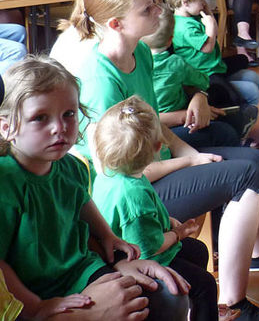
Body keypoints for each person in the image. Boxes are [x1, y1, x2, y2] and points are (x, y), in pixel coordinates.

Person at [70, 0, 259, 321]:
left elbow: (153, 124)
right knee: (247, 174)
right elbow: (117, 168)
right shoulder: (99, 79)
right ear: (116, 23)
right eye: (148, 7)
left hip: (155, 166)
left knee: (258, 159)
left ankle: (252, 262)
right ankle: (235, 301)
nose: (159, 10)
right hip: (136, 188)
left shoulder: (139, 51)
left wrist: (190, 154)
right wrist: (188, 163)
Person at [0, 57, 190, 321]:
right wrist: (35, 308)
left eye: (68, 114)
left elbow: (82, 202)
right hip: (36, 289)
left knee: (166, 297)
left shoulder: (70, 166)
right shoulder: (6, 182)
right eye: (40, 118)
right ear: (7, 127)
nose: (60, 128)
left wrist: (108, 236)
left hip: (82, 269)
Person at [91, 97, 223, 321]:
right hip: (142, 260)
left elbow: (145, 221)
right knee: (206, 284)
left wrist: (167, 220)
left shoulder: (111, 173)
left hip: (142, 240)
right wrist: (179, 233)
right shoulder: (133, 196)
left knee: (198, 250)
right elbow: (151, 248)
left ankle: (191, 307)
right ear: (158, 148)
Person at [143, 8, 254, 148]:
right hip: (181, 114)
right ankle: (239, 139)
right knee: (220, 109)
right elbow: (202, 80)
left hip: (162, 119)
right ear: (170, 40)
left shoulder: (142, 63)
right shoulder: (175, 63)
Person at [163, 0, 259, 107]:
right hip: (204, 72)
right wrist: (210, 26)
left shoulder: (193, 16)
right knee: (232, 98)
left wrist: (209, 14)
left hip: (213, 64)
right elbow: (208, 48)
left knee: (242, 60)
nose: (204, 3)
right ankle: (238, 114)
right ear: (185, 2)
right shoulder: (184, 27)